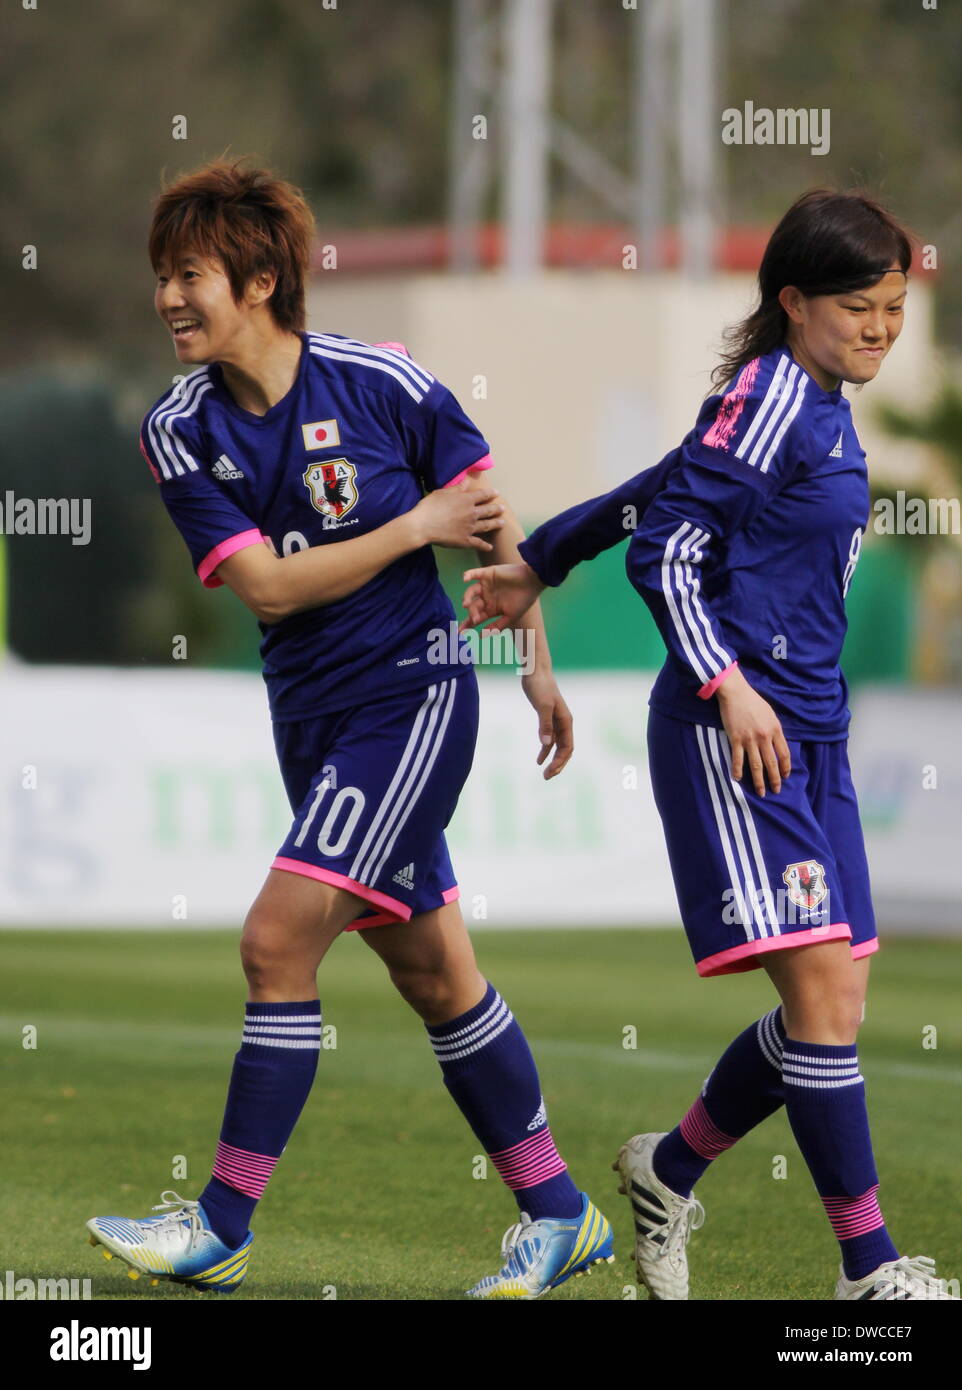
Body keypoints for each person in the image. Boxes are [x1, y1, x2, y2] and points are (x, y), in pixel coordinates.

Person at [85, 159, 614, 1299]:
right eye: (162, 278)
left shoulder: (381, 382)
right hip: (310, 718)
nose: (169, 299)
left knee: (276, 941)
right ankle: (558, 1212)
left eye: (190, 276)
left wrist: (534, 663)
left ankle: (220, 1224)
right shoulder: (176, 431)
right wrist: (406, 525)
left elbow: (486, 526)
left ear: (262, 279)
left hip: (412, 696)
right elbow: (269, 592)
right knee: (435, 976)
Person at [461, 188, 957, 1302]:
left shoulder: (813, 400)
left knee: (829, 1008)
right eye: (855, 307)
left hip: (811, 726)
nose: (879, 327)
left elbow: (657, 489)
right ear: (790, 301)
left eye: (892, 307)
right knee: (824, 1006)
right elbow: (669, 551)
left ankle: (666, 1167)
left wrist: (541, 555)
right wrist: (727, 685)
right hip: (736, 731)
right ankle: (868, 1273)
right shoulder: (774, 394)